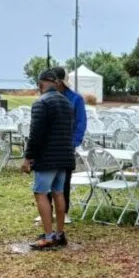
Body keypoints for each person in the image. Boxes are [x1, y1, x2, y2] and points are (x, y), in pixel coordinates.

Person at [22, 69, 75, 250]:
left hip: (47, 157)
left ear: (40, 84)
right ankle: (59, 234)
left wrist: (28, 157)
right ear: (57, 83)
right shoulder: (66, 102)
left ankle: (48, 236)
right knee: (59, 193)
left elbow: (35, 133)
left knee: (41, 193)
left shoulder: (41, 102)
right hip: (65, 156)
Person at [53, 66, 87, 222]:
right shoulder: (48, 97)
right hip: (50, 143)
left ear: (59, 82)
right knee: (47, 177)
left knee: (64, 178)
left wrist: (73, 142)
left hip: (67, 144)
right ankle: (47, 210)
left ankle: (64, 212)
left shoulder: (76, 99)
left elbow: (81, 122)